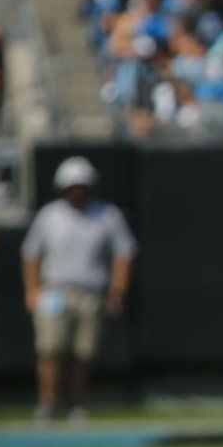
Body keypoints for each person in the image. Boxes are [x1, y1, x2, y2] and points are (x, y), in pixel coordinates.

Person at [21, 156, 136, 422]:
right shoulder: (49, 215)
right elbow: (30, 253)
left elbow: (124, 252)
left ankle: (76, 405)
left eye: (82, 185)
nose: (78, 191)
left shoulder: (107, 215)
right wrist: (33, 289)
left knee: (82, 354)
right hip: (55, 293)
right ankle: (47, 404)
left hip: (90, 293)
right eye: (73, 186)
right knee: (50, 350)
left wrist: (117, 291)